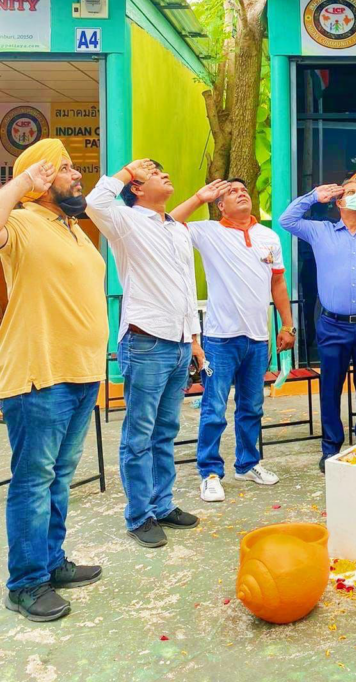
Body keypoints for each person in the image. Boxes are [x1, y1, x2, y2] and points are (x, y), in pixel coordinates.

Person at [0, 140, 108, 622]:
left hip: (82, 372)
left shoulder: (73, 228)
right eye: (63, 168)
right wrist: (22, 183)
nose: (76, 174)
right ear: (40, 180)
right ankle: (25, 583)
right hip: (39, 373)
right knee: (34, 480)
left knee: (59, 477)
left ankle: (50, 562)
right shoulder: (21, 222)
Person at [86, 159, 202, 549]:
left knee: (166, 431)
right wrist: (126, 169)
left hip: (180, 341)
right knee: (139, 433)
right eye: (153, 172)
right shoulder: (124, 221)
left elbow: (187, 287)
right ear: (135, 188)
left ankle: (162, 503)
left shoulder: (176, 230)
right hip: (146, 340)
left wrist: (196, 338)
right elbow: (94, 202)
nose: (165, 173)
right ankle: (139, 515)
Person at [169, 178, 296, 501]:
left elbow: (277, 285)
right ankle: (210, 472)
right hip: (220, 338)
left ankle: (248, 463)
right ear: (220, 205)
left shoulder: (268, 236)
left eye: (243, 190)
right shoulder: (208, 231)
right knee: (214, 408)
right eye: (231, 193)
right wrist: (200, 196)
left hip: (258, 337)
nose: (241, 193)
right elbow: (169, 222)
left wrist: (288, 325)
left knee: (252, 406)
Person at [279, 179, 356, 472]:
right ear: (339, 203)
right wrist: (313, 196)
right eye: (350, 193)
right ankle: (331, 448)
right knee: (330, 387)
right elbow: (287, 219)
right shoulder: (321, 231)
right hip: (332, 325)